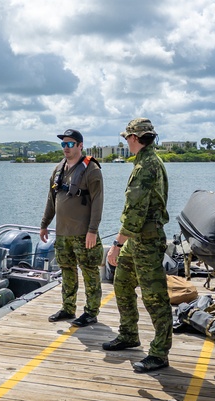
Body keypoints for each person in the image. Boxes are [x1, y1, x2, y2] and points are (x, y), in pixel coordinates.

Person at [103, 118, 172, 373]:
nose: (125, 143)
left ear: (134, 138)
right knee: (121, 283)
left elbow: (135, 212)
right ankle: (129, 334)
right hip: (137, 239)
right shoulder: (147, 161)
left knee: (155, 298)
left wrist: (116, 244)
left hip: (146, 240)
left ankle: (159, 353)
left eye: (126, 138)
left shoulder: (147, 166)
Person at [40, 128, 104, 327]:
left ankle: (91, 312)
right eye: (63, 144)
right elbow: (52, 199)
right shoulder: (59, 169)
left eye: (70, 144)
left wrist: (92, 230)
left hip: (83, 234)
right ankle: (68, 308)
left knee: (90, 272)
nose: (65, 148)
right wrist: (44, 224)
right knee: (67, 271)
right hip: (62, 233)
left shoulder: (91, 169)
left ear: (80, 146)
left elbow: (98, 202)